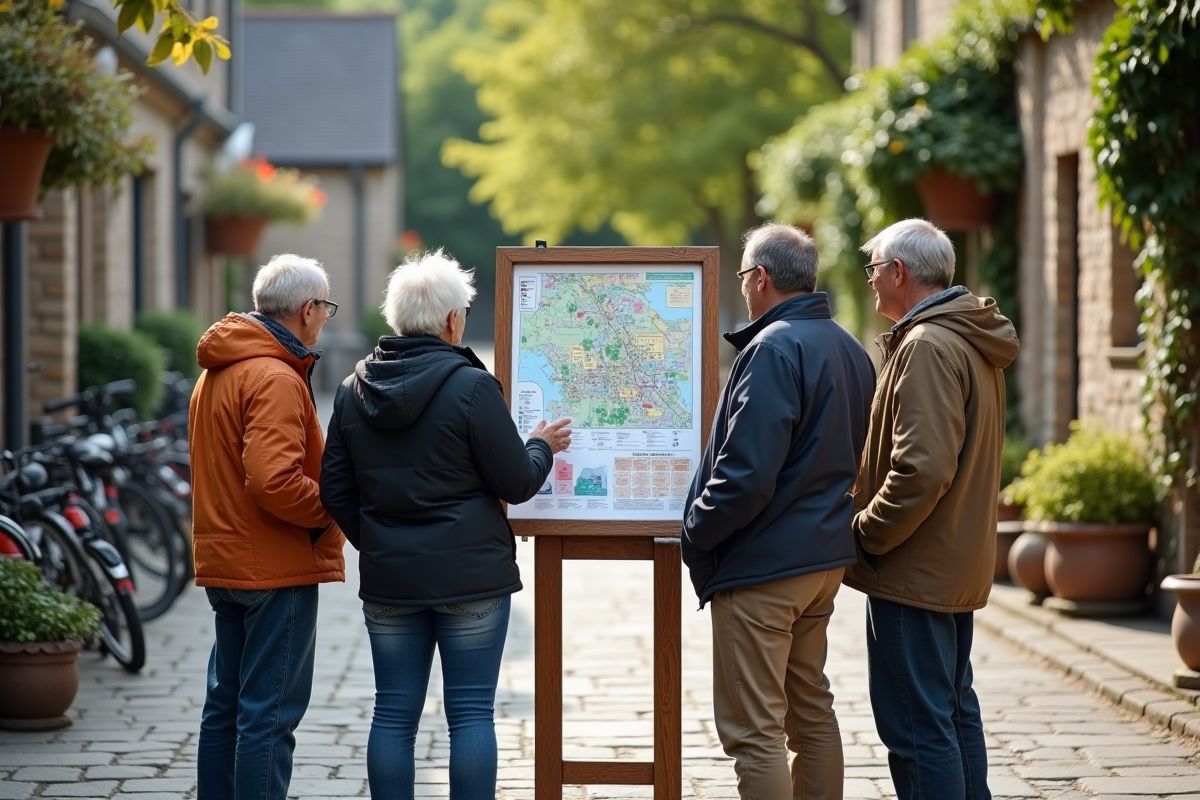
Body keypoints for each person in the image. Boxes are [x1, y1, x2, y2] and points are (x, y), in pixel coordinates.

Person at [319, 249, 571, 800]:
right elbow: (516, 482)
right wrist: (541, 446)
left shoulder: (351, 390)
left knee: (392, 714)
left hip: (391, 580)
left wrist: (382, 542)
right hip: (472, 577)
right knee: (472, 713)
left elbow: (334, 490)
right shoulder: (473, 388)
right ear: (454, 320)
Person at [682, 223, 875, 800]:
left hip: (764, 567)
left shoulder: (772, 348)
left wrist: (696, 530)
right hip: (821, 563)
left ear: (759, 278)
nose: (744, 288)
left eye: (744, 277)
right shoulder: (848, 347)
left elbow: (745, 476)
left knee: (755, 731)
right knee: (811, 713)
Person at [847, 219, 1019, 800]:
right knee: (950, 711)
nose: (869, 281)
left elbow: (921, 469)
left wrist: (868, 534)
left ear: (899, 272)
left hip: (911, 566)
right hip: (947, 563)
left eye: (873, 269)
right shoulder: (964, 336)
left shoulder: (926, 344)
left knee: (918, 730)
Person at [190, 254, 346, 800]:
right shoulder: (275, 375)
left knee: (225, 707)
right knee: (268, 717)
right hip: (275, 567)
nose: (325, 317)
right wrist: (332, 508)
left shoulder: (217, 371)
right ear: (307, 310)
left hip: (226, 561)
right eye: (325, 308)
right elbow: (274, 481)